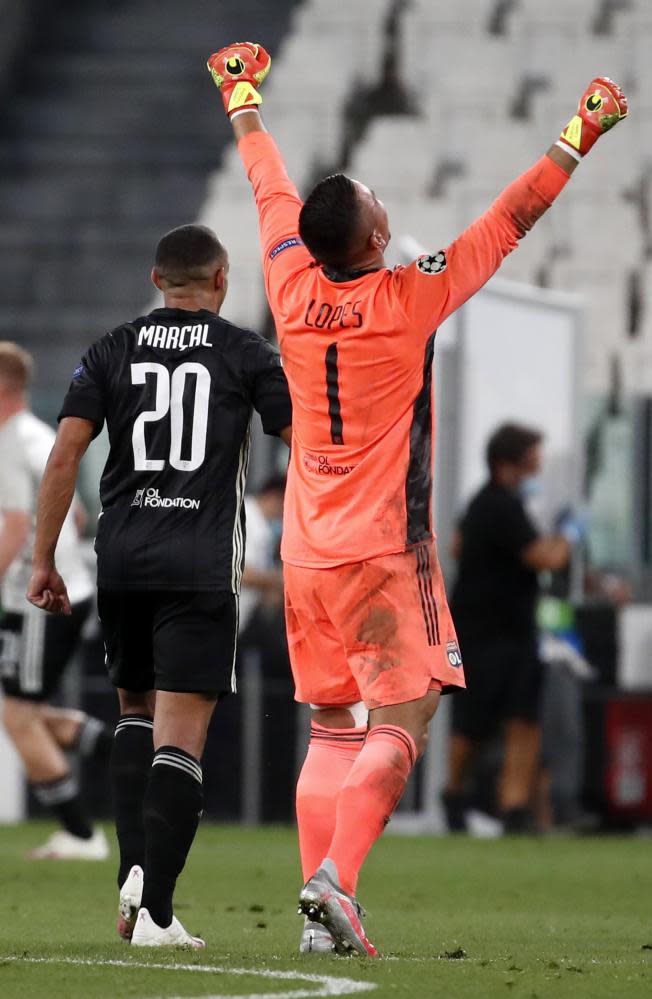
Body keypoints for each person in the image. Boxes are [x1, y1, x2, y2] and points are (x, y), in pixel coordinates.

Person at [207, 43, 627, 955]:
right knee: (409, 713)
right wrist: (581, 132)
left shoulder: (287, 281)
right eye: (374, 199)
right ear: (370, 239)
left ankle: (321, 918)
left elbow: (267, 185)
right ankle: (337, 880)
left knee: (329, 725)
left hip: (308, 552)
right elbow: (509, 220)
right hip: (386, 552)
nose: (383, 201)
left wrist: (243, 100)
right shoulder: (407, 298)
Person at [26, 225, 292, 947]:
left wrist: (45, 558)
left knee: (135, 714)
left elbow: (64, 457)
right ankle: (157, 913)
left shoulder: (109, 349)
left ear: (156, 279)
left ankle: (130, 878)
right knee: (183, 739)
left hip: (122, 558)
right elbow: (301, 438)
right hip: (199, 563)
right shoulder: (245, 352)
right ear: (222, 280)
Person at [442, 423, 584, 833]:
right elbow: (546, 558)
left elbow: (458, 545)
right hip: (485, 632)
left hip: (519, 631)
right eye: (532, 455)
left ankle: (514, 803)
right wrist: (569, 533)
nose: (539, 464)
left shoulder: (506, 505)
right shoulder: (495, 505)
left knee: (525, 719)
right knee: (475, 725)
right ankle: (453, 791)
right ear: (511, 460)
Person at [0, 342, 110, 860]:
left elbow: (17, 526)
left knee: (18, 715)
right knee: (26, 710)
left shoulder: (10, 441)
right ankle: (115, 746)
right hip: (61, 589)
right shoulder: (42, 436)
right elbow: (79, 516)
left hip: (36, 597)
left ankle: (80, 834)